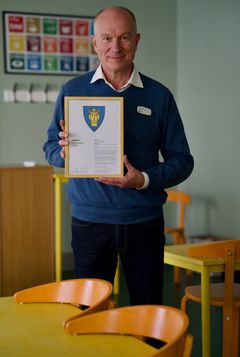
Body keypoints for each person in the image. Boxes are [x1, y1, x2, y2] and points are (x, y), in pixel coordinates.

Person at [43, 6, 194, 306]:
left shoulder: (159, 96)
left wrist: (143, 179)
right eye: (107, 38)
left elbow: (183, 160)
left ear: (137, 40)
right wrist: (64, 153)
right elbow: (49, 148)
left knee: (147, 311)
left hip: (144, 223)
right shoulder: (72, 90)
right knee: (89, 311)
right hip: (89, 223)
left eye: (124, 37)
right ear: (94, 42)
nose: (115, 46)